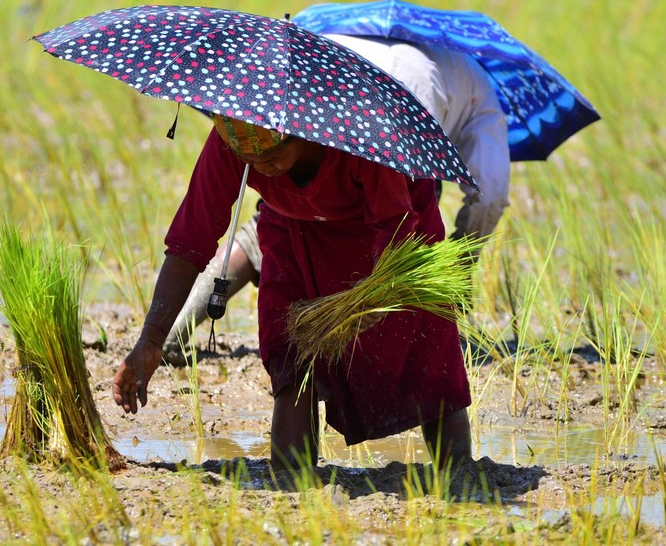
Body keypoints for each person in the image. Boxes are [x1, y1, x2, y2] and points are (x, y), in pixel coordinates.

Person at [112, 114, 473, 471]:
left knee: (429, 354)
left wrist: (374, 297)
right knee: (290, 354)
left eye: (273, 157)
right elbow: (190, 239)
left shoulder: (364, 132)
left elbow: (396, 225)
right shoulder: (233, 134)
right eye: (250, 161)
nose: (263, 168)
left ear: (305, 133)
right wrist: (151, 339)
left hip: (395, 233)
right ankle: (292, 479)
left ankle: (459, 473)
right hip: (294, 229)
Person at [161, 34, 510, 366]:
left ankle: (171, 333)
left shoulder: (323, 53)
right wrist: (460, 270)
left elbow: (394, 220)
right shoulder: (468, 93)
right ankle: (170, 332)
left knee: (277, 213)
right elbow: (489, 197)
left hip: (331, 69)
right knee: (290, 218)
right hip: (381, 103)